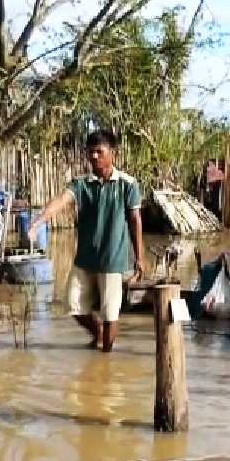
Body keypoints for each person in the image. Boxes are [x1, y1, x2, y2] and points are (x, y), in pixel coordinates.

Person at [27, 130, 144, 352]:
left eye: (100, 152)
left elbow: (135, 220)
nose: (94, 157)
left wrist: (140, 258)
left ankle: (106, 357)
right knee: (73, 306)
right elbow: (62, 200)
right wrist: (38, 221)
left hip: (113, 260)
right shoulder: (81, 184)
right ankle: (97, 334)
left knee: (111, 314)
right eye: (90, 152)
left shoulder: (127, 184)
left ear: (112, 154)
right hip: (85, 258)